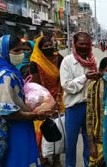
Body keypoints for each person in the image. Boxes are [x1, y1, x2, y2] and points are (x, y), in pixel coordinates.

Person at [0, 35, 49, 167]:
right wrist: (35, 115)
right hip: (15, 130)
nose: (21, 54)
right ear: (3, 52)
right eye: (16, 51)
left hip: (6, 130)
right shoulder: (7, 76)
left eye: (22, 50)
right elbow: (7, 111)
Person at [60, 32, 99, 167]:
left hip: (90, 107)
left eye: (87, 44)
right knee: (71, 143)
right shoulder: (67, 61)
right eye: (81, 44)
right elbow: (67, 86)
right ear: (74, 44)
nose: (84, 46)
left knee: (90, 142)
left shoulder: (93, 61)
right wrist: (85, 78)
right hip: (74, 107)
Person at [30, 36, 64, 166]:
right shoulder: (35, 62)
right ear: (39, 49)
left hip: (58, 96)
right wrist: (44, 100)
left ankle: (56, 156)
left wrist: (58, 95)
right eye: (45, 46)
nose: (49, 48)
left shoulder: (59, 58)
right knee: (41, 128)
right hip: (42, 97)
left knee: (57, 126)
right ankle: (42, 157)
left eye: (50, 45)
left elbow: (61, 78)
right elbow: (36, 83)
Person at [86, 56, 107, 167]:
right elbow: (90, 114)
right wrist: (91, 143)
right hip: (99, 138)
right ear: (100, 71)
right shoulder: (94, 86)